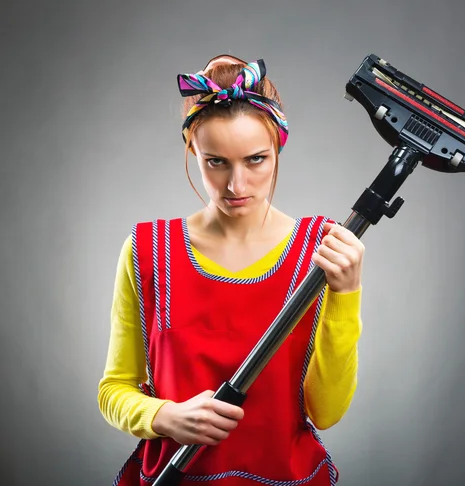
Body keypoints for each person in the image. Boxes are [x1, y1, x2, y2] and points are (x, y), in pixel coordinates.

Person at [98, 54, 364, 486]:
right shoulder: (148, 251)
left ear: (278, 148)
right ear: (193, 152)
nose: (236, 186)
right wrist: (165, 415)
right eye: (216, 162)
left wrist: (346, 293)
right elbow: (114, 389)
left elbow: (326, 412)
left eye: (255, 160)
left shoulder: (323, 251)